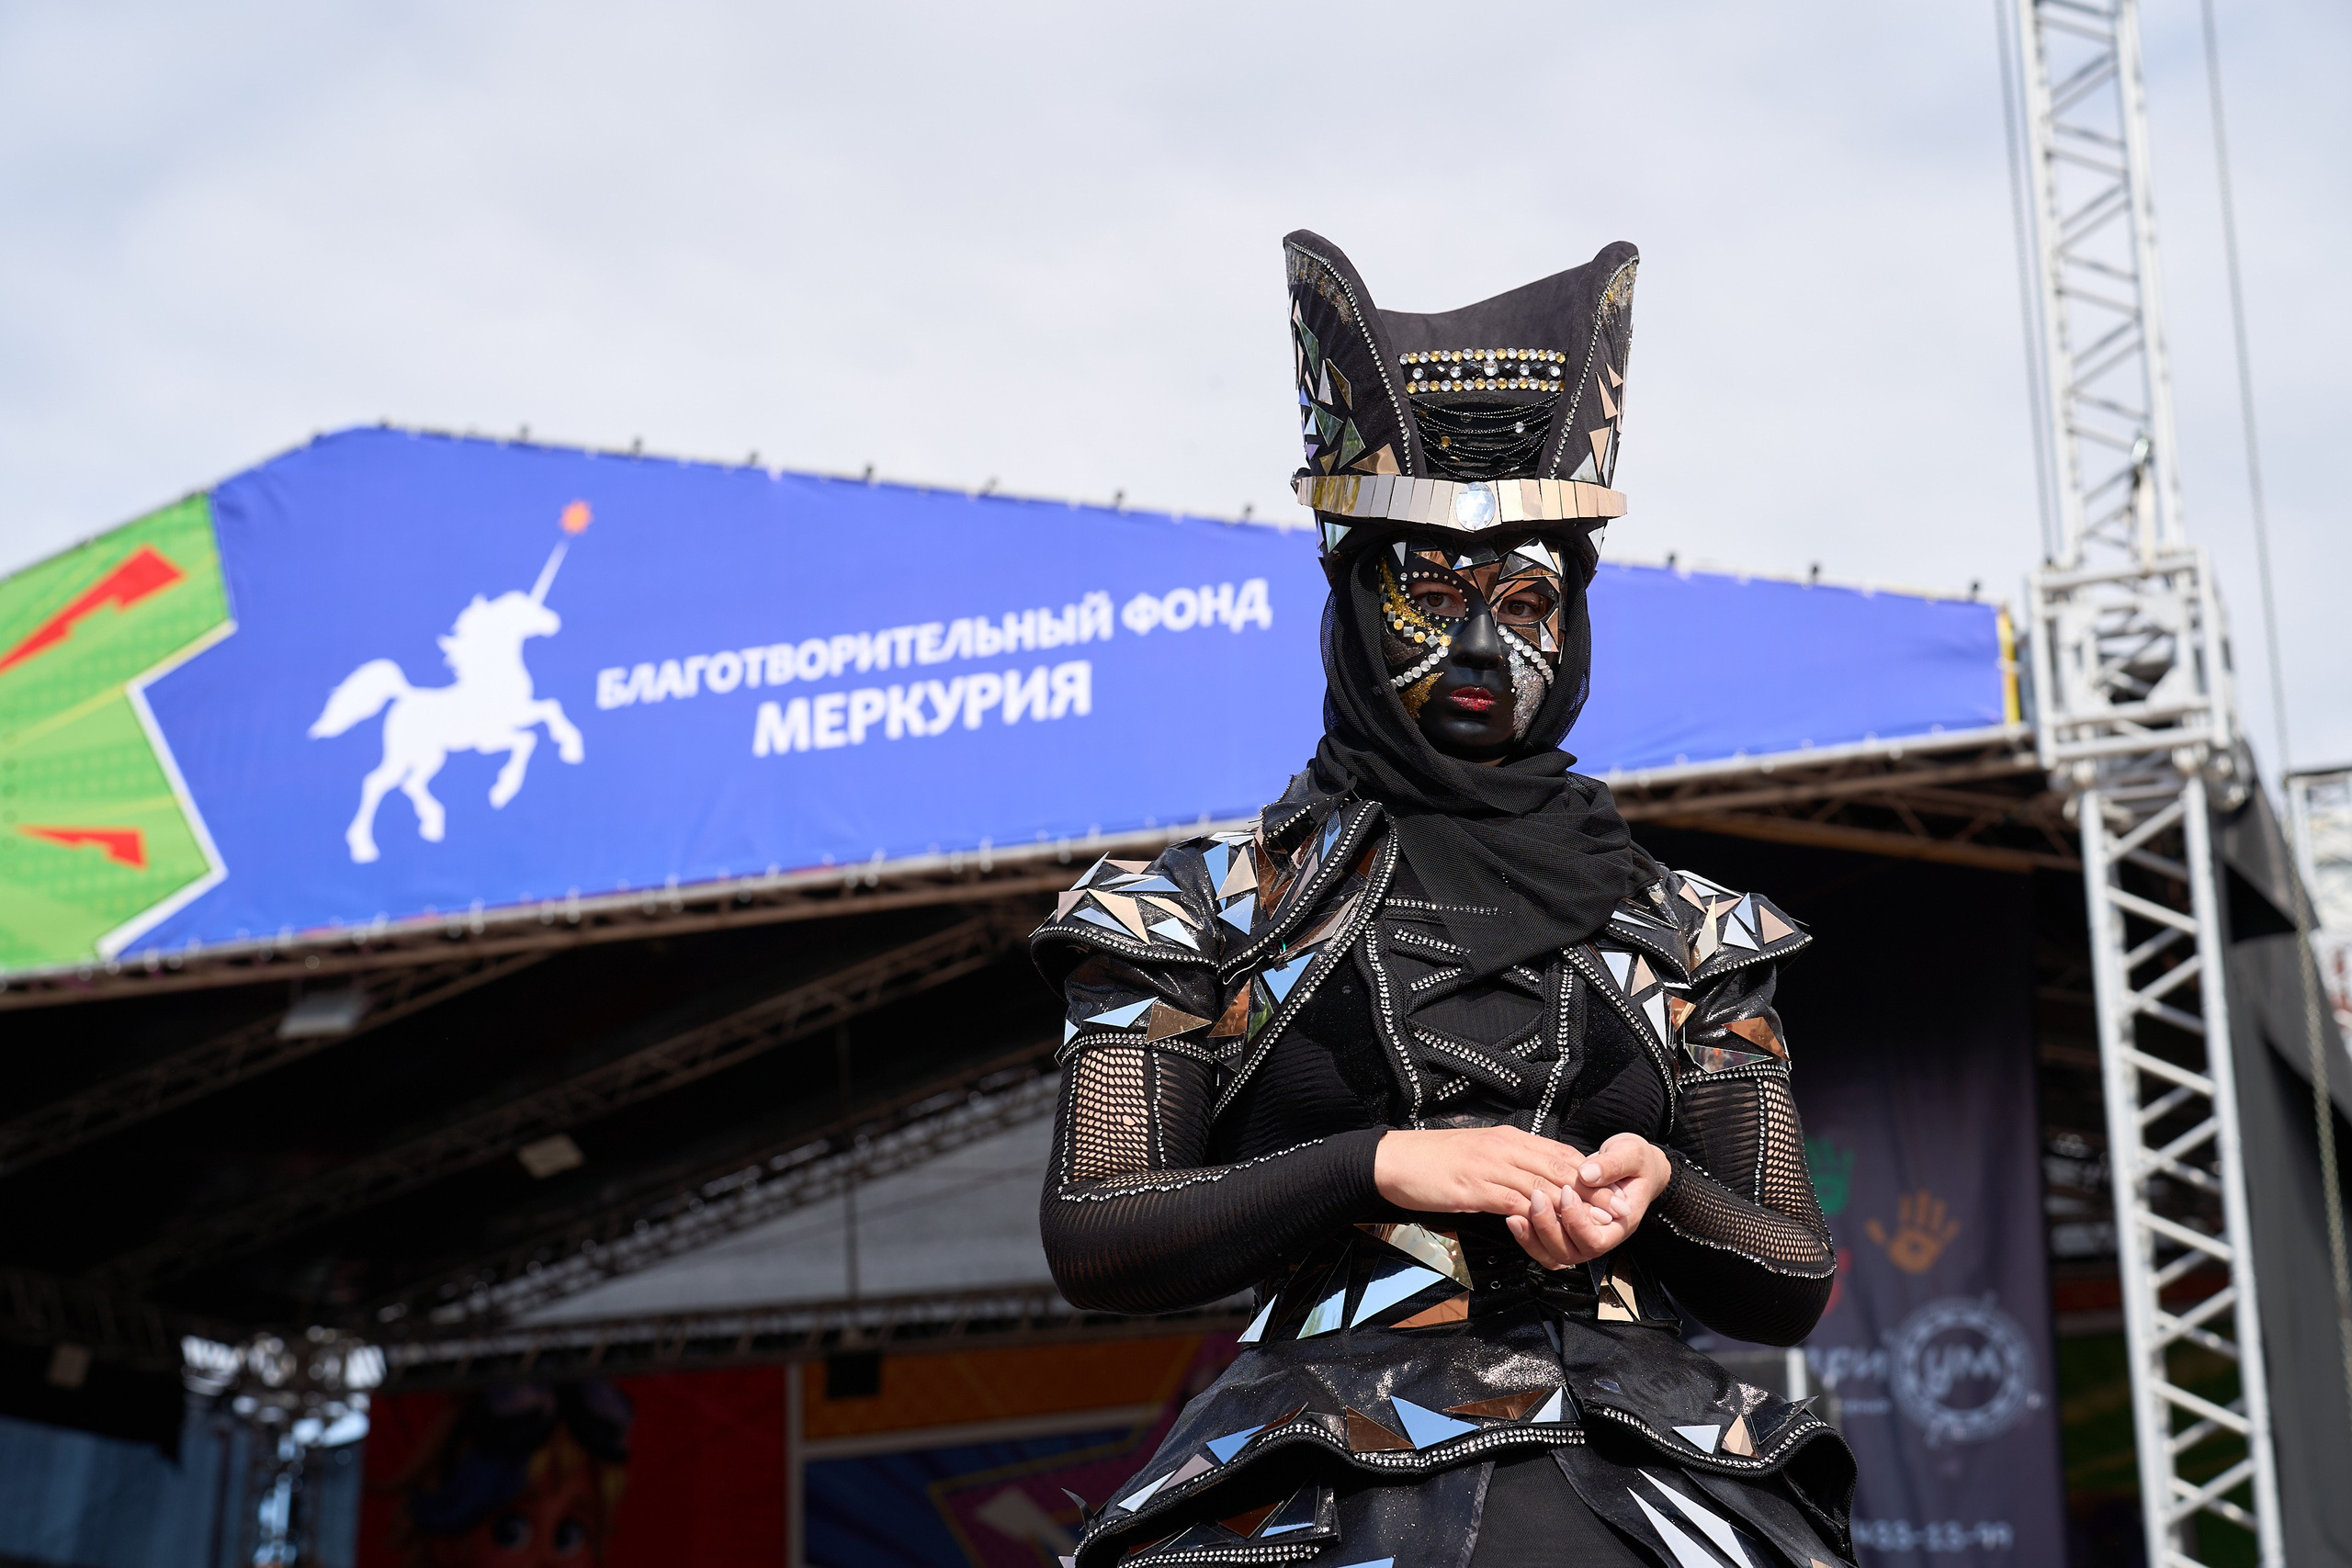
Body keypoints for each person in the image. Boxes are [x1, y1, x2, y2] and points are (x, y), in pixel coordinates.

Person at [1030, 232, 1852, 1567]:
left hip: (1654, 1481)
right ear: (1354, 602)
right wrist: (1379, 1162)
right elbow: (1099, 1229)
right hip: (1316, 1482)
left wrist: (1658, 1188)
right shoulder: (1197, 908)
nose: (1484, 648)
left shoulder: (1694, 928)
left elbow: (1792, 1277)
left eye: (1527, 598)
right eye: (1430, 595)